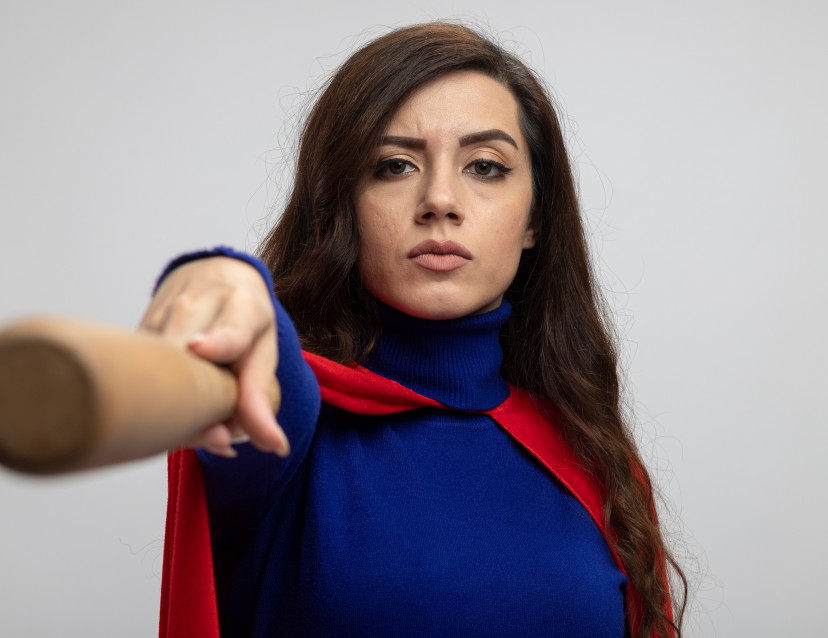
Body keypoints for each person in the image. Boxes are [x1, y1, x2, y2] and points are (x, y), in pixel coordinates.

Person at [142, 22, 686, 638]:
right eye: (395, 165)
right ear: (341, 204)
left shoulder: (591, 455)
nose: (440, 199)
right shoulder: (282, 427)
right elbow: (264, 365)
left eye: (485, 166)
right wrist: (222, 282)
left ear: (536, 218)